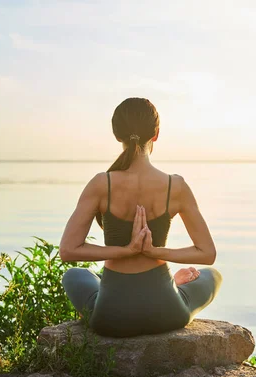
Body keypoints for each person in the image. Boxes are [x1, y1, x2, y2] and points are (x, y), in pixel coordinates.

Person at [59, 97, 222, 338]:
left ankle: (163, 286)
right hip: (167, 313)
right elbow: (207, 254)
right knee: (212, 275)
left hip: (111, 318)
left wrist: (126, 250)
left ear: (117, 135)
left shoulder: (101, 184)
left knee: (74, 275)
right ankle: (175, 284)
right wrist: (156, 252)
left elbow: (68, 251)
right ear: (156, 133)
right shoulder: (175, 186)